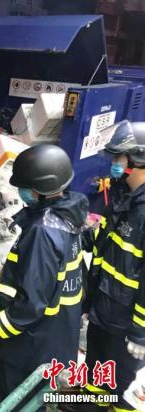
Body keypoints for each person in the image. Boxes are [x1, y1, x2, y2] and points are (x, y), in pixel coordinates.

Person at [0, 145, 89, 408]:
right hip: (56, 340)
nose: (20, 192)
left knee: (12, 404)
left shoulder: (42, 232)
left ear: (37, 189)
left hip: (28, 349)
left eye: (23, 187)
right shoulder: (69, 216)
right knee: (33, 405)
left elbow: (31, 305)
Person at [79, 121, 145, 412]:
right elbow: (103, 248)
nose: (114, 163)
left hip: (127, 324)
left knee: (122, 388)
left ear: (138, 160)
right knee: (96, 371)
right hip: (103, 310)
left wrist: (141, 333)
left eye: (119, 157)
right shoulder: (122, 197)